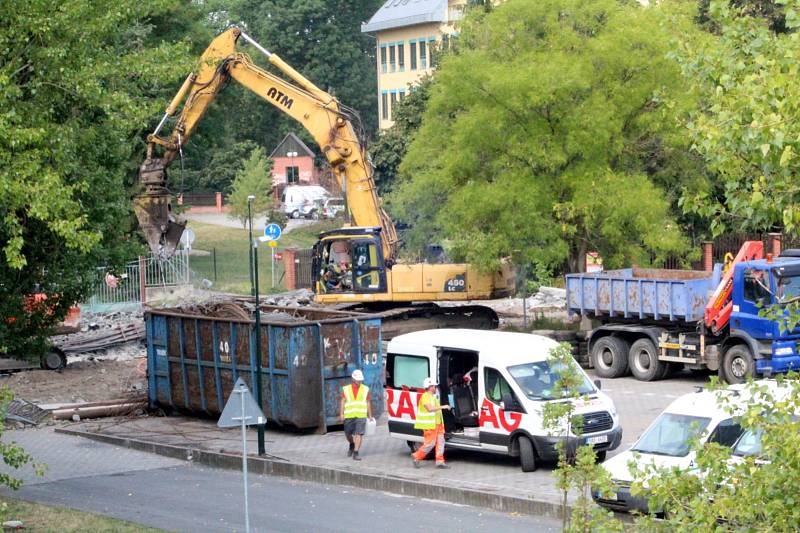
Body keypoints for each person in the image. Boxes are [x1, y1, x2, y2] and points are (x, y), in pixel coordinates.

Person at [412, 377, 452, 469]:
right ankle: (417, 457)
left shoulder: (432, 397)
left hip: (438, 424)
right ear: (430, 387)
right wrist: (444, 407)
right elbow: (430, 409)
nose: (435, 388)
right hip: (430, 425)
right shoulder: (425, 397)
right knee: (430, 444)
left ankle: (440, 461)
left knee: (441, 443)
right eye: (434, 386)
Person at [340, 369, 372, 461]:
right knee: (348, 433)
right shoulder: (346, 389)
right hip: (349, 415)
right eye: (358, 380)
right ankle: (351, 444)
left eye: (361, 380)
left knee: (359, 433)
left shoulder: (365, 389)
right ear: (353, 379)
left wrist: (370, 415)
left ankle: (356, 452)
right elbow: (342, 402)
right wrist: (341, 414)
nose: (360, 381)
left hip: (361, 415)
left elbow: (368, 402)